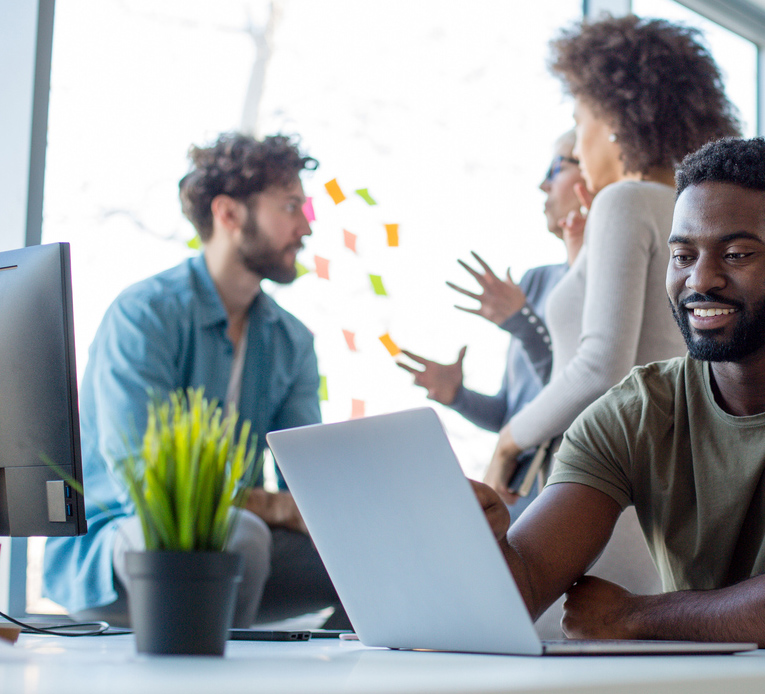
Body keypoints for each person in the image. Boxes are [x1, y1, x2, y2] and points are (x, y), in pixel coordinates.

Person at [471, 137, 765, 648]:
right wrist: (485, 543)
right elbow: (521, 586)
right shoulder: (635, 411)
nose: (700, 279)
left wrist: (636, 617)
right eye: (682, 255)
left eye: (737, 253)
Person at [44, 133, 349, 629]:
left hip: (240, 548)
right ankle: (214, 669)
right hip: (123, 544)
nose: (306, 226)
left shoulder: (291, 340)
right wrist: (274, 505)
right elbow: (149, 484)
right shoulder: (145, 314)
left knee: (379, 553)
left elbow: (309, 488)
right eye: (291, 206)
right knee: (241, 535)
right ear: (228, 214)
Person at [483, 15, 741, 501]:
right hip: (663, 472)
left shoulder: (624, 202)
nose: (579, 143)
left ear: (616, 118)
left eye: (581, 123)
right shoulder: (694, 209)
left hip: (601, 480)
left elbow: (601, 365)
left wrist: (507, 440)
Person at [398, 131, 587, 512]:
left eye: (557, 167)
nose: (542, 184)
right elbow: (510, 413)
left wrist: (522, 322)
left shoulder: (605, 286)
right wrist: (459, 397)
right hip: (514, 488)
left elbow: (580, 390)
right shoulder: (535, 280)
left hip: (563, 486)